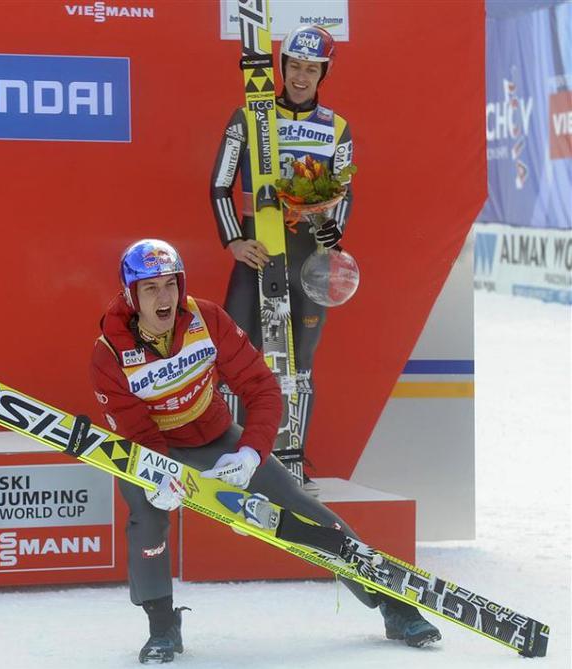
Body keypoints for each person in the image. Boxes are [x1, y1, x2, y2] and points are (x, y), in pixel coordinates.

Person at [90, 239, 440, 664]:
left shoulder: (207, 318)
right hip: (152, 448)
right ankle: (162, 626)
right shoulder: (108, 351)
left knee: (297, 502)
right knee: (147, 518)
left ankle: (393, 606)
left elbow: (261, 389)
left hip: (217, 436)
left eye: (171, 285)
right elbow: (135, 427)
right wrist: (157, 475)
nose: (164, 298)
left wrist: (252, 453)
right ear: (131, 295)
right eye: (151, 289)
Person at [209, 25, 354, 494]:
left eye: (312, 68)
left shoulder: (336, 127)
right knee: (236, 358)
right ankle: (229, 456)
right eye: (294, 66)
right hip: (255, 257)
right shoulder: (248, 117)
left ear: (323, 73)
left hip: (307, 263)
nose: (301, 76)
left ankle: (291, 463)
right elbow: (219, 187)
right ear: (282, 67)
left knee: (300, 364)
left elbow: (344, 196)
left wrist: (333, 234)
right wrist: (234, 240)